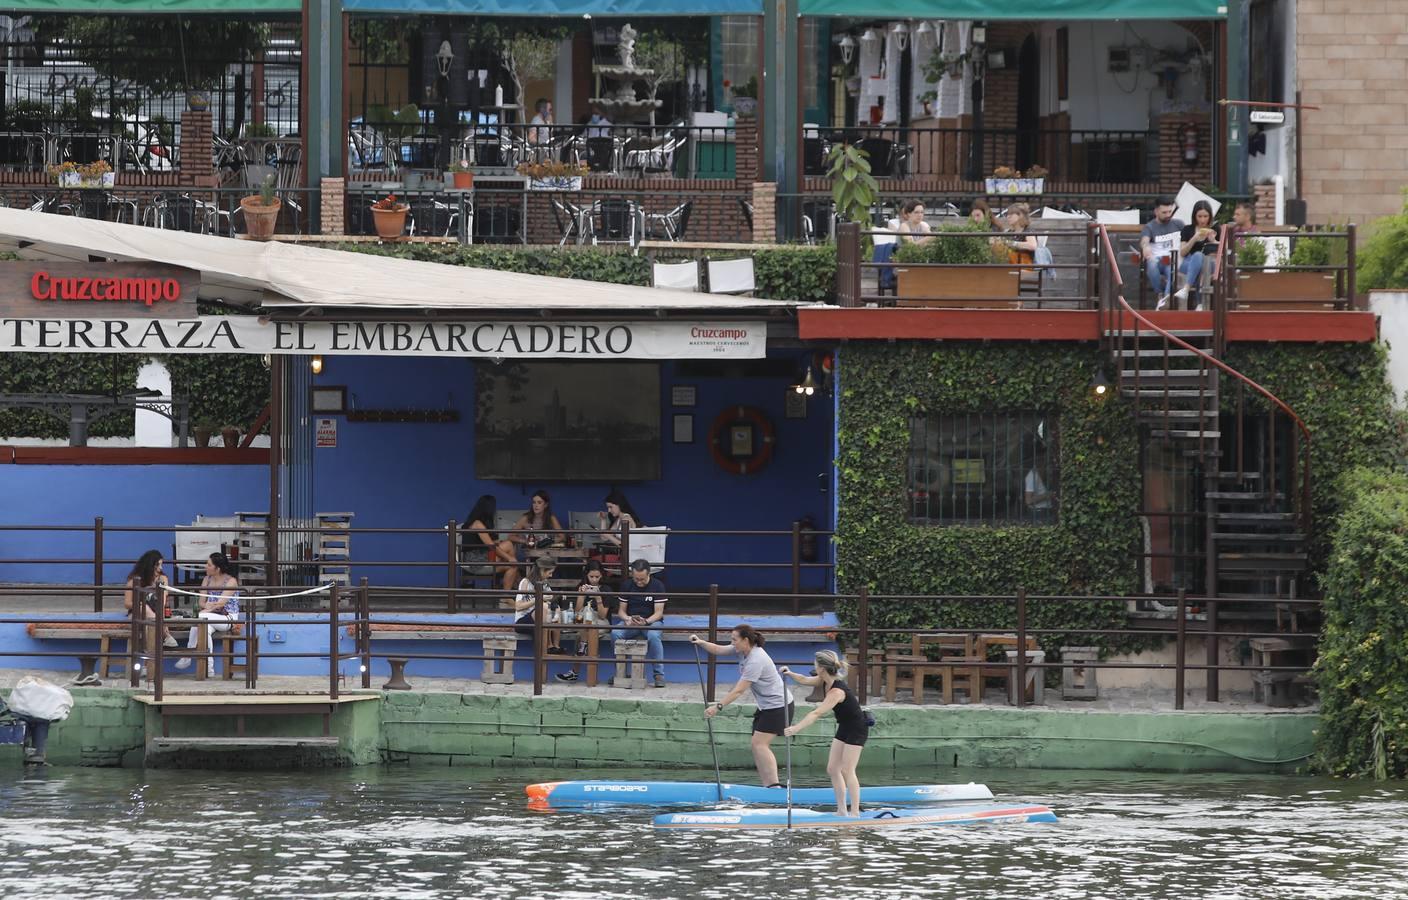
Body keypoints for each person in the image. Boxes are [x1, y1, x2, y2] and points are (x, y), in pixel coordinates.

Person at [690, 625, 794, 788]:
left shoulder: (756, 659)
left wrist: (717, 707)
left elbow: (739, 691)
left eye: (734, 640)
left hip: (779, 706)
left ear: (746, 640)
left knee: (760, 744)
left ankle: (774, 786)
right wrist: (700, 642)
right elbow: (718, 649)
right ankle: (768, 785)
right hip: (766, 706)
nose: (732, 643)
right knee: (756, 745)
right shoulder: (743, 650)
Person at [781, 650, 869, 818]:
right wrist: (789, 672)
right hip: (844, 725)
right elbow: (804, 679)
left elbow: (816, 713)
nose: (814, 666)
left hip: (857, 727)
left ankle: (855, 812)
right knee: (832, 769)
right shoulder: (823, 680)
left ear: (821, 668)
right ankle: (841, 810)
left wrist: (795, 728)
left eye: (815, 664)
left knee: (847, 770)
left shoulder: (836, 691)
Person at [174, 552, 240, 676]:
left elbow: (220, 604)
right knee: (204, 630)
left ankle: (187, 655)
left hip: (227, 617)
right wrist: (206, 608)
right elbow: (201, 602)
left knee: (200, 618)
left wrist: (206, 610)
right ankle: (209, 669)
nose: (205, 566)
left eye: (209, 565)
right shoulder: (206, 579)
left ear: (217, 568)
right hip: (209, 617)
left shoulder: (231, 581)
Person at [611, 558, 667, 688]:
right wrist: (628, 619)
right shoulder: (627, 585)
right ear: (632, 575)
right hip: (631, 622)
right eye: (636, 579)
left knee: (654, 636)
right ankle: (620, 672)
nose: (639, 582)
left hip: (652, 622)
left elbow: (659, 613)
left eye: (642, 579)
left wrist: (646, 621)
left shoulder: (658, 586)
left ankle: (659, 675)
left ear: (649, 574)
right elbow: (621, 611)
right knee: (615, 633)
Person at [558, 560, 608, 683]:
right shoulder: (582, 586)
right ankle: (583, 645)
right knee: (584, 625)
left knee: (583, 634)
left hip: (600, 621)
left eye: (597, 577)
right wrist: (581, 595)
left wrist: (598, 597)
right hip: (583, 622)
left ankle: (574, 672)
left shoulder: (606, 589)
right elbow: (577, 612)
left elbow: (603, 615)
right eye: (591, 577)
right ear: (586, 575)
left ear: (602, 575)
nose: (594, 580)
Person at [124, 549, 178, 651]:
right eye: (157, 565)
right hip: (137, 615)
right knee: (144, 607)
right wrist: (141, 605)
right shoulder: (135, 580)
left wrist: (160, 617)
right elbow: (127, 604)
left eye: (161, 565)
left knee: (150, 624)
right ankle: (166, 635)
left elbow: (162, 601)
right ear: (149, 565)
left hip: (157, 614)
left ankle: (149, 657)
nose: (160, 568)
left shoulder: (162, 579)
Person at [461, 494, 518, 590]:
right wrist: (509, 558)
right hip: (475, 560)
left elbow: (485, 543)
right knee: (509, 547)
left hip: (481, 555)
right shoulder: (477, 524)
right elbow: (491, 546)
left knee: (510, 557)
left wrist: (498, 543)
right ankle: (512, 586)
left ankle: (509, 586)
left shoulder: (476, 522)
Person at [1140, 196, 1185, 306]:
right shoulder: (1150, 227)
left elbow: (1187, 238)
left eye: (1170, 211)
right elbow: (1144, 241)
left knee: (1172, 268)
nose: (1168, 215)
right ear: (1156, 211)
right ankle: (1159, 294)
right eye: (1164, 212)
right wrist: (1145, 247)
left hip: (1173, 259)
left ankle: (1164, 299)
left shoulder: (1178, 224)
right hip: (1157, 260)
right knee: (1151, 262)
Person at [1173, 200, 1218, 308]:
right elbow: (1183, 252)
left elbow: (1223, 250)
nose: (1202, 220)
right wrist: (1194, 238)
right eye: (1200, 216)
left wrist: (1214, 241)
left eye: (1205, 216)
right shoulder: (1187, 229)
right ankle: (1200, 304)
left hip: (1210, 263)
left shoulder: (1216, 229)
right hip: (1188, 263)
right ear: (1194, 216)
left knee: (1200, 260)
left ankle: (1186, 289)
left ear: (1210, 216)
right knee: (1198, 260)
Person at [512, 555, 562, 652]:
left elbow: (549, 599)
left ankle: (556, 646)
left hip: (541, 618)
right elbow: (518, 606)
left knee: (556, 608)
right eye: (550, 572)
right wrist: (538, 599)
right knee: (543, 607)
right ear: (542, 570)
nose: (551, 575)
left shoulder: (545, 583)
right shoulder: (526, 582)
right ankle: (548, 645)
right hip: (524, 620)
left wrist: (553, 599)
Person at [510, 489, 568, 559]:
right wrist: (526, 541)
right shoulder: (525, 518)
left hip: (546, 553)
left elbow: (562, 537)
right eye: (534, 502)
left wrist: (548, 542)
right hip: (529, 553)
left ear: (546, 505)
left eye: (539, 502)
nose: (536, 505)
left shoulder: (551, 518)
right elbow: (511, 536)